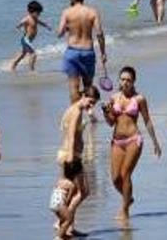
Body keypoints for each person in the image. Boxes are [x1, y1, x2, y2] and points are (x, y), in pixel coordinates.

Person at [100, 66, 163, 222]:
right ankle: (128, 197)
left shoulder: (139, 99)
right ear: (119, 81)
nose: (125, 82)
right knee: (115, 179)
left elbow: (147, 120)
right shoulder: (114, 98)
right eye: (122, 79)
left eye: (128, 80)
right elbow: (110, 123)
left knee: (125, 174)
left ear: (134, 81)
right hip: (117, 141)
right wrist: (105, 112)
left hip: (134, 140)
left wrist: (155, 142)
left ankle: (124, 209)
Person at [56, 87, 98, 238]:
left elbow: (63, 130)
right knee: (83, 192)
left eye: (93, 104)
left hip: (67, 154)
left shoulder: (72, 108)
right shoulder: (76, 112)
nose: (91, 106)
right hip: (71, 156)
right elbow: (72, 137)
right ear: (83, 96)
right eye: (90, 102)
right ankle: (62, 221)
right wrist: (71, 161)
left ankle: (69, 227)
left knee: (72, 192)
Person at [57, 0, 107, 102]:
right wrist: (103, 53)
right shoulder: (92, 12)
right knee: (88, 87)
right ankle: (88, 114)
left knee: (73, 88)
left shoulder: (67, 12)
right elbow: (99, 33)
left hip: (72, 52)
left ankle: (77, 117)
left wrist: (69, 28)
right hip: (87, 52)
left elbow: (60, 33)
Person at [10, 0, 50, 72]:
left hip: (29, 40)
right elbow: (20, 24)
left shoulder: (35, 18)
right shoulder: (27, 19)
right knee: (33, 54)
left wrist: (46, 26)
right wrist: (18, 28)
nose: (39, 14)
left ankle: (13, 66)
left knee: (23, 54)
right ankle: (31, 70)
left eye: (39, 13)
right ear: (31, 11)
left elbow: (40, 22)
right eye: (38, 13)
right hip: (26, 40)